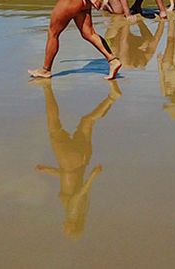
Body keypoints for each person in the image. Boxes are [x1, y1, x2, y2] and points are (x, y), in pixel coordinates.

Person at [35, 80, 119, 237]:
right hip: (68, 160)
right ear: (72, 226)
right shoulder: (73, 210)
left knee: (88, 121)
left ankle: (112, 98)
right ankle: (47, 90)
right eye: (67, 232)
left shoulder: (79, 210)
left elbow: (66, 178)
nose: (63, 230)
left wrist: (47, 170)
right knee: (54, 126)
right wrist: (93, 176)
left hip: (81, 160)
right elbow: (79, 193)